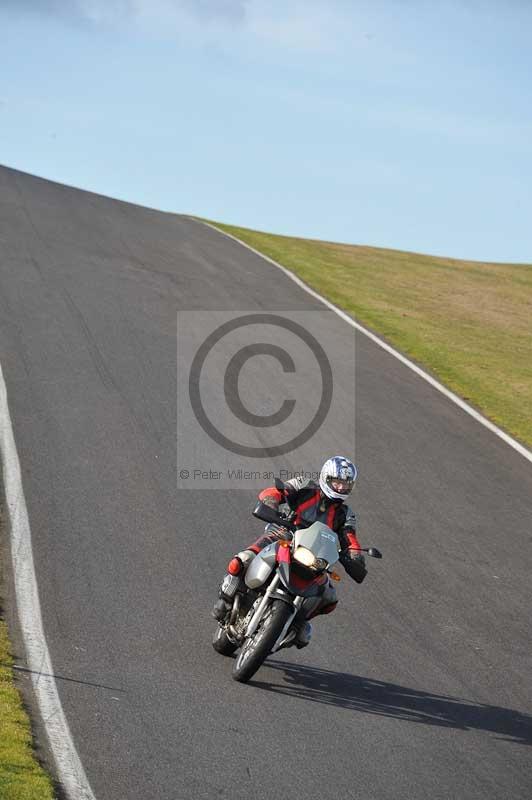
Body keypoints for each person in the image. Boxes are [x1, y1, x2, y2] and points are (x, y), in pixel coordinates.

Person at [213, 456, 367, 648]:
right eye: (337, 482)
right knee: (243, 559)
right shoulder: (305, 485)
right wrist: (271, 504)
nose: (341, 488)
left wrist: (355, 556)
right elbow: (275, 492)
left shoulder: (346, 514)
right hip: (286, 533)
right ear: (326, 478)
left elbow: (350, 538)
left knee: (329, 598)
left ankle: (298, 622)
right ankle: (226, 598)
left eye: (346, 485)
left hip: (316, 555)